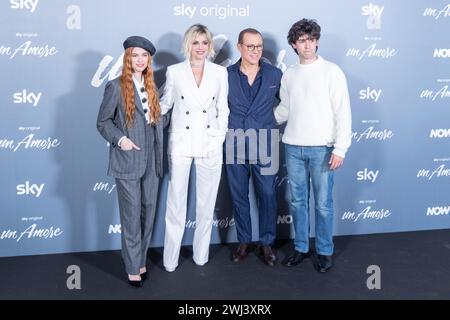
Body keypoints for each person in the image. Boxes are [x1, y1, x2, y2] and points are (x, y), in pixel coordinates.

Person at [274, 19, 352, 273]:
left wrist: (340, 148)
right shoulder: (290, 74)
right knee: (297, 202)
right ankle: (300, 247)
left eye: (310, 39)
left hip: (322, 148)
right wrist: (257, 118)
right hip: (293, 147)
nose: (307, 45)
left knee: (323, 204)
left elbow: (343, 112)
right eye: (301, 41)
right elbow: (284, 110)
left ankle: (325, 251)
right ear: (294, 45)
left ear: (316, 40)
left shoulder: (332, 71)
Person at [160, 24, 229, 272]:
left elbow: (223, 109)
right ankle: (170, 259)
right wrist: (144, 111)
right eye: (196, 42)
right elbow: (166, 103)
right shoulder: (174, 71)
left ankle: (201, 255)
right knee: (175, 202)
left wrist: (218, 136)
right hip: (181, 141)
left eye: (205, 42)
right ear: (187, 44)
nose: (200, 47)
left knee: (206, 203)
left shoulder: (220, 73)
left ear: (210, 46)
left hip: (209, 142)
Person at [97, 36, 164, 287]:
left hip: (152, 160)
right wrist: (121, 139)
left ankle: (140, 260)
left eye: (144, 56)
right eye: (135, 55)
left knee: (148, 214)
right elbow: (103, 122)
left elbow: (154, 122)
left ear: (149, 60)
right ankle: (132, 266)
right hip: (128, 159)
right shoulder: (115, 86)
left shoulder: (152, 86)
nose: (140, 60)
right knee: (132, 216)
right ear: (128, 58)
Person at [225, 28, 282, 267]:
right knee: (239, 196)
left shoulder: (275, 74)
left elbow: (289, 105)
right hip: (234, 141)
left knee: (268, 195)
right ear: (239, 47)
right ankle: (244, 241)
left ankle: (266, 242)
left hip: (266, 144)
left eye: (259, 46)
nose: (255, 51)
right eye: (250, 46)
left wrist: (268, 122)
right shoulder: (224, 75)